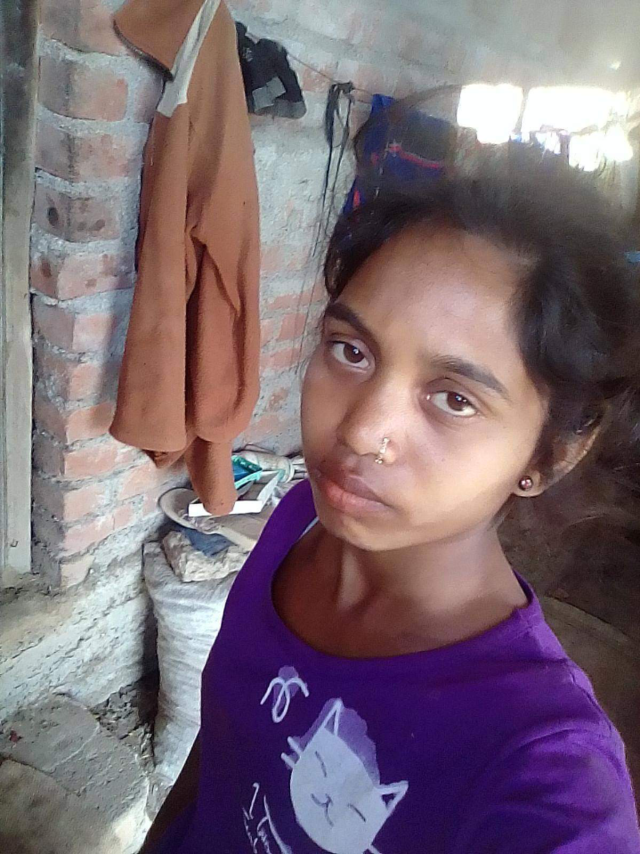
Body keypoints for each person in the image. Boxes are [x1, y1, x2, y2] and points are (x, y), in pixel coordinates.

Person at [140, 143, 640, 853]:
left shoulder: (545, 771)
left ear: (553, 452)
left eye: (454, 399)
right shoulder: (298, 524)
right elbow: (220, 753)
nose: (360, 432)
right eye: (352, 351)